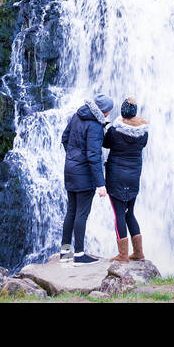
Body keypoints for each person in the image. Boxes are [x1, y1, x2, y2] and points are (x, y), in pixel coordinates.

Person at [59, 93, 114, 264]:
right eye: (109, 111)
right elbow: (93, 156)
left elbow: (64, 138)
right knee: (81, 214)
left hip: (70, 169)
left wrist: (73, 157)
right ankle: (79, 254)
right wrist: (101, 184)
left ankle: (65, 253)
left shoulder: (77, 115)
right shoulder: (96, 126)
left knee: (71, 212)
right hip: (84, 174)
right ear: (104, 111)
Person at [103, 96, 149, 262]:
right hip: (133, 178)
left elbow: (105, 144)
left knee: (119, 215)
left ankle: (123, 255)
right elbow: (141, 146)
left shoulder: (114, 131)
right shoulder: (143, 133)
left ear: (122, 112)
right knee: (130, 214)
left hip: (116, 178)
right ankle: (138, 253)